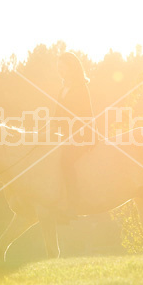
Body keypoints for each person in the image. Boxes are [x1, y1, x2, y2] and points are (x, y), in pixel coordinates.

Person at [53, 52, 94, 215]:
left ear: (71, 68)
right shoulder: (63, 89)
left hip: (80, 136)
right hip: (65, 136)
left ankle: (73, 203)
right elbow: (56, 116)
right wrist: (42, 133)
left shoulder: (81, 88)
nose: (59, 70)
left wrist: (89, 138)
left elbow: (87, 114)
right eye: (58, 67)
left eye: (62, 67)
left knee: (65, 162)